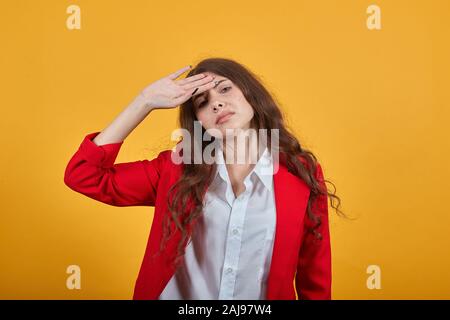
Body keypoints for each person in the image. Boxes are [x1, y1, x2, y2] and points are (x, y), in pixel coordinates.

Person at [64, 57, 344, 300]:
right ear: (197, 122)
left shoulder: (300, 171)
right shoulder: (176, 170)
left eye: (225, 89)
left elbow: (314, 274)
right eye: (202, 101)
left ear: (251, 94)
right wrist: (144, 102)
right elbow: (84, 175)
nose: (217, 103)